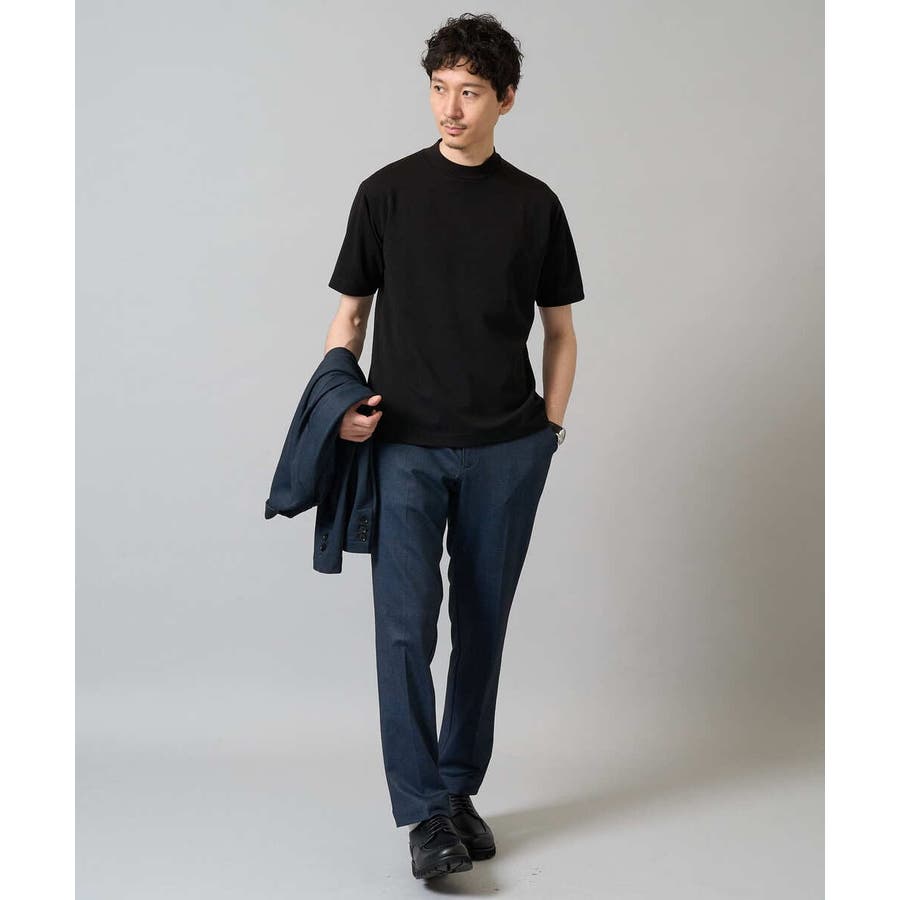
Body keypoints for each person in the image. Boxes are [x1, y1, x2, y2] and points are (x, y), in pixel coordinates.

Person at [323, 13, 584, 881]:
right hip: (403, 450)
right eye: (439, 88)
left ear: (506, 98)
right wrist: (341, 405)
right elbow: (349, 319)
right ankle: (425, 812)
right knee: (404, 632)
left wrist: (548, 431)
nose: (450, 108)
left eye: (470, 91)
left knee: (482, 627)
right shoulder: (385, 193)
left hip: (508, 451)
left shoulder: (535, 205)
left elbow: (561, 332)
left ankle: (457, 788)